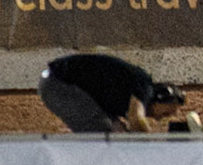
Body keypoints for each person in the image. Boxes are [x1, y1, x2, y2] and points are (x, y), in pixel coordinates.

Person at [38, 52, 184, 132]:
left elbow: (120, 128)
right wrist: (152, 151)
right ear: (161, 99)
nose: (160, 119)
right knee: (103, 135)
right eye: (165, 113)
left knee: (115, 134)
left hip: (54, 81)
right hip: (58, 83)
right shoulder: (144, 86)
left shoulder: (125, 96)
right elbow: (136, 119)